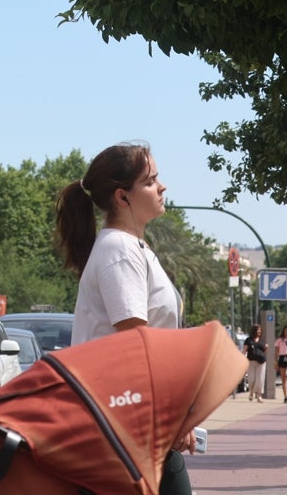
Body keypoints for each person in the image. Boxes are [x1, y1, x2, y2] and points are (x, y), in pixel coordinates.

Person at [55, 142, 193, 495]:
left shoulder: (130, 248)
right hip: (122, 427)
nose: (161, 187)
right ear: (123, 196)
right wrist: (174, 413)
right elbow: (136, 342)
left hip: (129, 425)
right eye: (150, 181)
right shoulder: (120, 250)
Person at [244, 324, 267, 402]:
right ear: (254, 331)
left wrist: (266, 347)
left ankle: (259, 396)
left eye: (260, 330)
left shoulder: (262, 341)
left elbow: (264, 351)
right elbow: (244, 350)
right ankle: (251, 393)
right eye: (258, 330)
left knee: (260, 379)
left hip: (261, 362)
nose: (259, 331)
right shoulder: (248, 340)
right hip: (251, 361)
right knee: (251, 379)